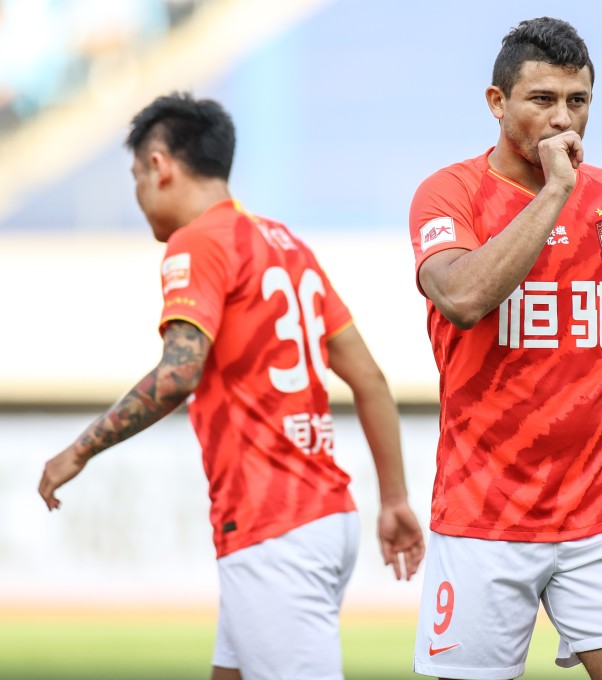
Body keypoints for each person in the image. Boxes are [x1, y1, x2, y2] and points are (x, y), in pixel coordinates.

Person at [38, 92, 425, 680]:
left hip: (274, 525)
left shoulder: (197, 242)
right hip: (324, 515)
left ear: (160, 165)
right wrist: (394, 499)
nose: (139, 193)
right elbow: (369, 378)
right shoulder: (286, 244)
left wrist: (78, 449)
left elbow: (178, 374)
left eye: (137, 175)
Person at [407, 17, 602, 680]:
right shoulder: (448, 193)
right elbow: (461, 297)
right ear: (497, 103)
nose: (563, 117)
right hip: (484, 515)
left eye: (579, 101)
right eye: (542, 99)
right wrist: (555, 190)